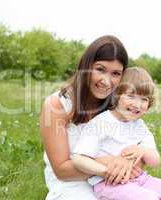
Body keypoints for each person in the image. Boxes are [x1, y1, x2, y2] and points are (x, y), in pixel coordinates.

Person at [71, 67, 161, 200]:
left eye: (144, 99)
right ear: (116, 95)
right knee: (147, 198)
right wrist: (106, 171)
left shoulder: (140, 126)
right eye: (131, 96)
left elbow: (155, 161)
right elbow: (79, 158)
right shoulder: (100, 123)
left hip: (141, 179)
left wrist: (143, 151)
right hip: (109, 184)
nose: (137, 104)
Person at [40, 35, 144, 200]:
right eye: (100, 69)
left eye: (116, 73)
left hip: (114, 181)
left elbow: (139, 156)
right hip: (71, 186)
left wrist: (132, 160)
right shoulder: (57, 105)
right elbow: (62, 171)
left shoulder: (119, 108)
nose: (106, 81)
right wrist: (111, 163)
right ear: (86, 66)